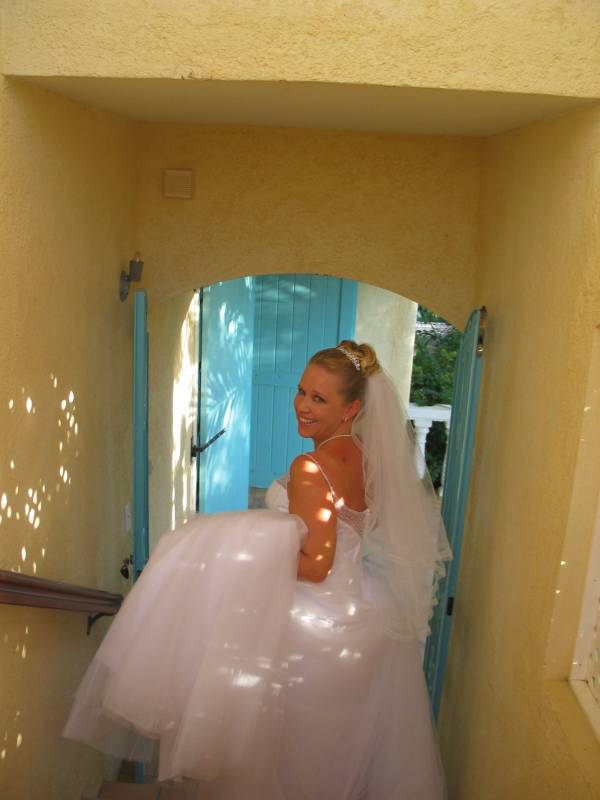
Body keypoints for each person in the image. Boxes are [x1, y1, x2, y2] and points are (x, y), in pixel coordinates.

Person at [63, 340, 452, 799]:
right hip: (358, 609)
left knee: (278, 760)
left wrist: (234, 553)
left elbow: (316, 565)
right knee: (329, 756)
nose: (302, 406)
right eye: (302, 391)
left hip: (310, 622)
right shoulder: (369, 460)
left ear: (351, 409)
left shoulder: (311, 467)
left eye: (319, 398)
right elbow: (357, 533)